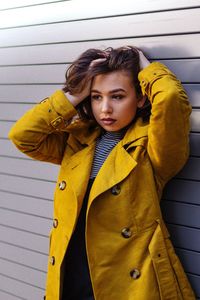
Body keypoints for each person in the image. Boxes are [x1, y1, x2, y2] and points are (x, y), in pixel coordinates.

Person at [9, 46, 196, 300]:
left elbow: (171, 97)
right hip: (71, 279)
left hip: (128, 285)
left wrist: (147, 68)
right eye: (96, 97)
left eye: (117, 96)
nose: (105, 109)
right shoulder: (77, 142)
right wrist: (76, 93)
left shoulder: (151, 148)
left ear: (140, 98)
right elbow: (23, 136)